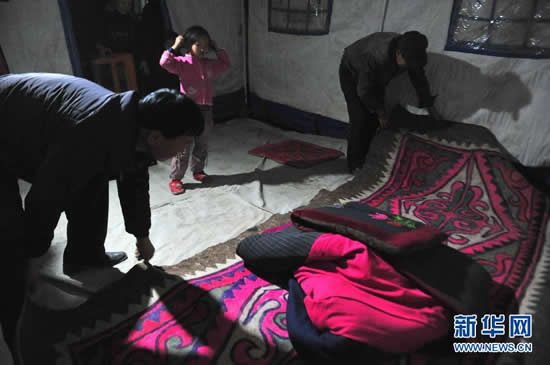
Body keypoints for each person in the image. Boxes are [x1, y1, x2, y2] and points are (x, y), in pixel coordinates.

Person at [0, 72, 204, 358]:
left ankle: (84, 257)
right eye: (184, 142)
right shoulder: (89, 134)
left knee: (91, 184)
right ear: (156, 137)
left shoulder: (134, 125)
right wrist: (32, 258)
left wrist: (141, 236)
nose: (184, 148)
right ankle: (14, 302)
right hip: (7, 127)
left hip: (40, 125)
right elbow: (43, 201)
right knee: (8, 232)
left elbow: (134, 182)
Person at [339, 31, 441, 173]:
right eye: (408, 63)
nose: (409, 67)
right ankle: (355, 165)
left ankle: (368, 157)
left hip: (374, 78)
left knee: (374, 121)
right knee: (359, 118)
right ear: (398, 53)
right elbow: (364, 91)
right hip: (352, 72)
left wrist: (430, 106)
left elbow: (419, 80)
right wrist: (380, 113)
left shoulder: (411, 51)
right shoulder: (375, 55)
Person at [160, 25, 231, 195]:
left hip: (206, 110)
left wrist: (215, 48)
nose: (203, 48)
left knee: (202, 143)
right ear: (189, 45)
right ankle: (176, 178)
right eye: (199, 45)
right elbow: (164, 62)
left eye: (206, 45)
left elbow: (226, 64)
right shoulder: (182, 64)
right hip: (187, 112)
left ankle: (198, 171)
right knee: (182, 147)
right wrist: (175, 47)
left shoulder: (209, 65)